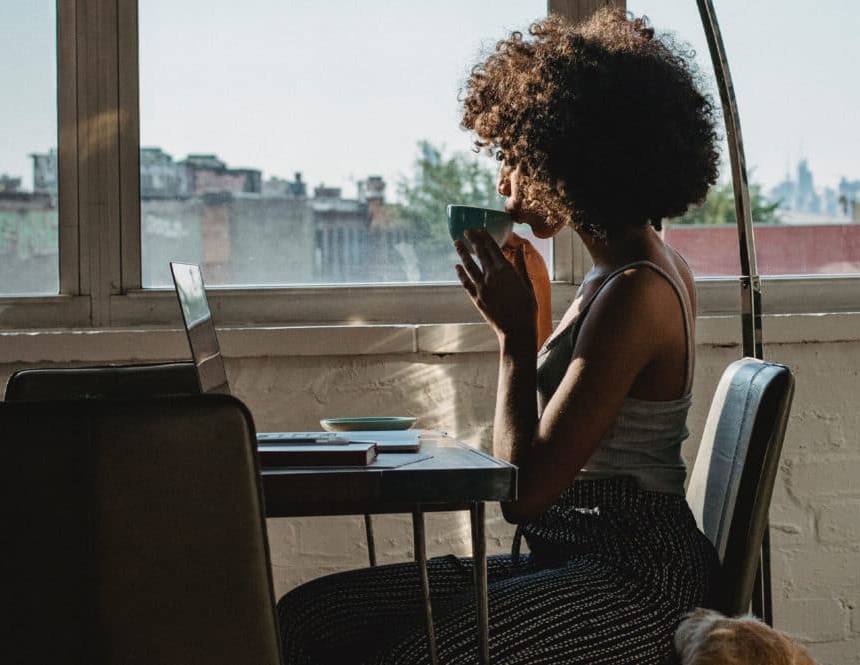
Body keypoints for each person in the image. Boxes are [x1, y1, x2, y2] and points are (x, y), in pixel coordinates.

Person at [277, 9, 721, 664]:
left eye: (516, 156)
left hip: (636, 579)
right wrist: (532, 319)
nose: (503, 179)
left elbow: (524, 491)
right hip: (571, 557)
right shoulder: (612, 273)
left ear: (573, 158)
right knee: (311, 616)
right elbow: (560, 437)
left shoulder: (638, 291)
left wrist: (515, 339)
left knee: (414, 656)